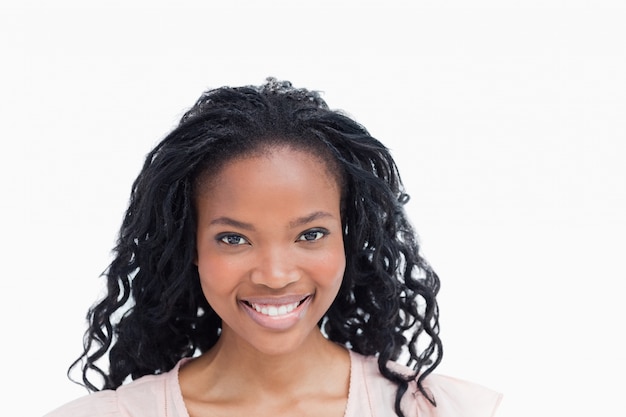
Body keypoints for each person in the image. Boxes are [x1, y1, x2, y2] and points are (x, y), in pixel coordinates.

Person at [44, 78, 502, 417]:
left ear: (349, 237)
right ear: (192, 248)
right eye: (234, 239)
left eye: (310, 234)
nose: (276, 274)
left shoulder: (449, 410)